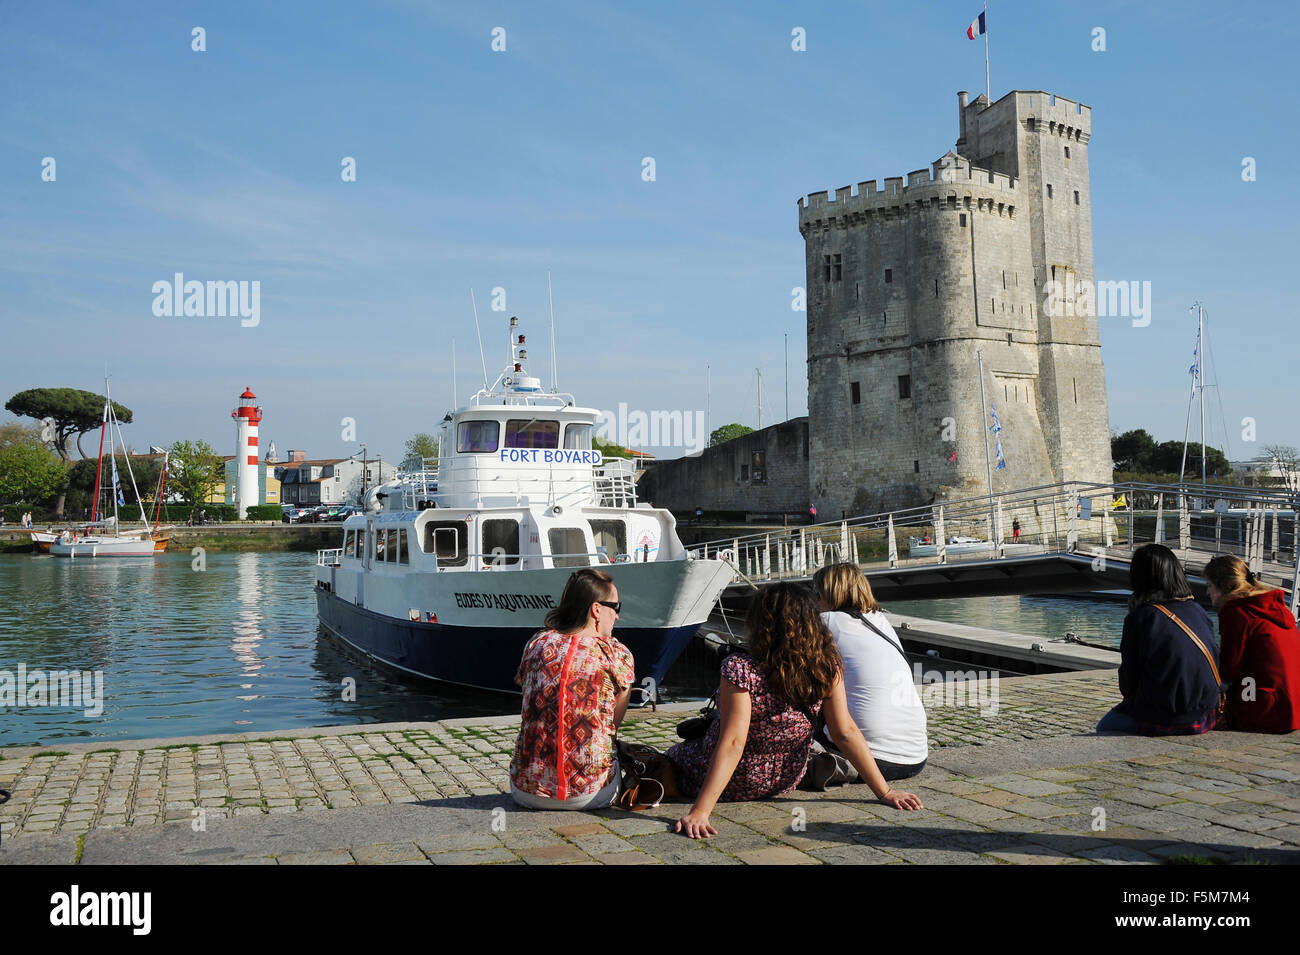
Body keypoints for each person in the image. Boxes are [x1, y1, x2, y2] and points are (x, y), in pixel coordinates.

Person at [668, 583, 923, 839]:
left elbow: (734, 742)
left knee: (674, 757)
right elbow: (844, 731)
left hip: (736, 782)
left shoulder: (741, 669)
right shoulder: (828, 667)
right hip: (784, 778)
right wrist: (885, 792)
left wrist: (701, 811)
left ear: (760, 624)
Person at [509, 568, 635, 810]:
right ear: (597, 610)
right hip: (588, 795)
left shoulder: (537, 644)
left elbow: (528, 694)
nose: (617, 616)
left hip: (525, 791)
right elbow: (612, 728)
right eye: (616, 608)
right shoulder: (616, 653)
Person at [811, 564, 927, 782]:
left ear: (830, 594)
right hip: (916, 757)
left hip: (871, 758)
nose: (814, 600)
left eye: (817, 593)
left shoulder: (825, 621)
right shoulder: (880, 621)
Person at [1096, 544, 1220, 735]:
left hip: (1164, 718)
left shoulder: (1141, 617)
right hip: (1206, 714)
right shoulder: (1198, 610)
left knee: (1105, 727)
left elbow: (1128, 683)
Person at [1204, 555, 1300, 733]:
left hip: (1264, 710)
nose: (1207, 592)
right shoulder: (1276, 608)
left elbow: (1229, 669)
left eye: (1209, 586)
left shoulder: (1237, 612)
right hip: (1292, 706)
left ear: (1224, 587)